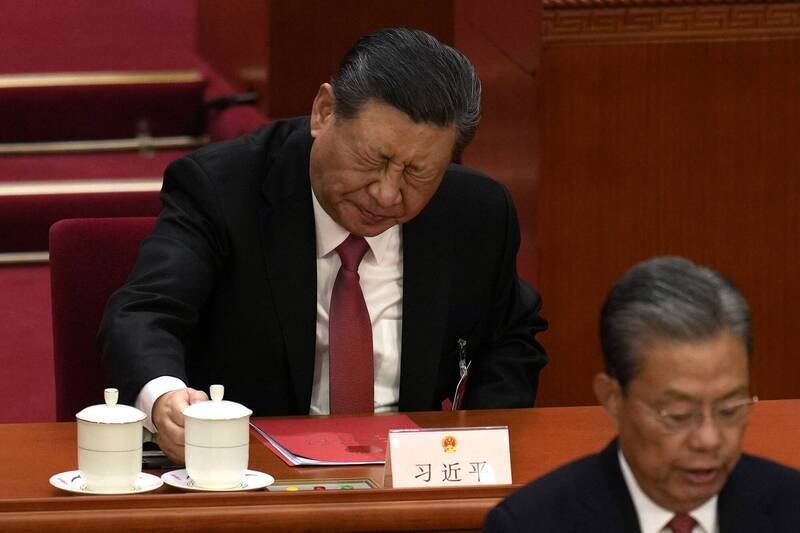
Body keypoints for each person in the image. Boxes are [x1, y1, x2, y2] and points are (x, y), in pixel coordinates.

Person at [99, 28, 547, 462]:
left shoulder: (476, 213)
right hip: (251, 470)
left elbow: (511, 336)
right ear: (324, 112)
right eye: (374, 160)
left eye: (418, 173)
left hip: (414, 475)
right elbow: (145, 312)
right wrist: (166, 398)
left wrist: (478, 441)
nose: (387, 194)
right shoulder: (222, 188)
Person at [484, 256, 800, 532]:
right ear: (613, 400)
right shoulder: (531, 524)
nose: (708, 439)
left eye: (729, 410)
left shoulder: (793, 509)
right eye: (678, 415)